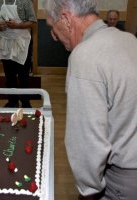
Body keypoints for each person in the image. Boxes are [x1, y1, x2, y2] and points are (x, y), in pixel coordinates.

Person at [45, 0, 137, 199]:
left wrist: (88, 191)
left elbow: (87, 143)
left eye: (52, 27)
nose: (53, 36)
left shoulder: (85, 56)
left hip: (123, 180)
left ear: (66, 19)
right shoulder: (130, 40)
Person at [0, 0, 37, 108]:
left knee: (24, 76)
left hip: (22, 43)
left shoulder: (25, 2)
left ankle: (25, 102)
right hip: (5, 43)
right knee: (9, 76)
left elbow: (33, 22)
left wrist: (17, 25)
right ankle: (13, 101)